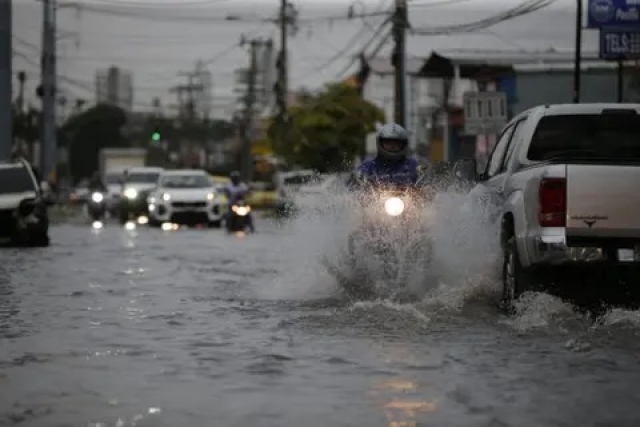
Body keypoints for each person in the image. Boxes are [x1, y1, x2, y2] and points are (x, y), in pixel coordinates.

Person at [347, 123, 429, 191]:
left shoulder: (413, 165)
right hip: (375, 207)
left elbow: (427, 185)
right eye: (388, 143)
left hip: (409, 207)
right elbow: (351, 185)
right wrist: (357, 182)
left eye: (397, 143)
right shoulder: (368, 166)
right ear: (380, 143)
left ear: (404, 144)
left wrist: (424, 189)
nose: (392, 146)